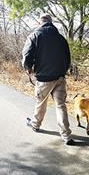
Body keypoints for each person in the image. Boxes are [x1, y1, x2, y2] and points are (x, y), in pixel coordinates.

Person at [22, 14, 75, 145]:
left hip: (44, 78)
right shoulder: (61, 38)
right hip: (60, 77)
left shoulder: (35, 35)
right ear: (51, 23)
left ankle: (35, 124)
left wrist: (28, 68)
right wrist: (63, 71)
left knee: (41, 102)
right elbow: (68, 59)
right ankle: (66, 135)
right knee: (61, 105)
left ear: (39, 22)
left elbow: (26, 55)